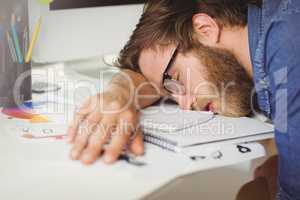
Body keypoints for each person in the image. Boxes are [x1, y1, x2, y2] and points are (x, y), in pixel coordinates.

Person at [67, 0, 300, 199]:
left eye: (175, 80)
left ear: (205, 28)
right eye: (169, 91)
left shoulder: (287, 46)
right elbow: (148, 77)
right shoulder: (257, 47)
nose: (186, 105)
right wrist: (116, 96)